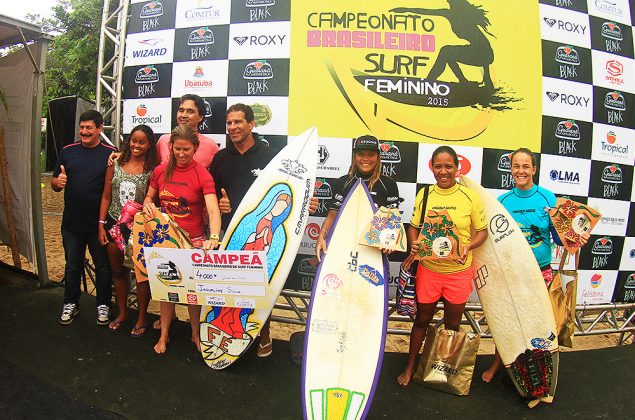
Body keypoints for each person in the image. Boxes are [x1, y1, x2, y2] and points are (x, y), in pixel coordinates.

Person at [481, 147, 588, 382]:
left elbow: (559, 236)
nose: (521, 171)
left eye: (525, 166)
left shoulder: (547, 198)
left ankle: (541, 371)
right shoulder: (502, 202)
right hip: (513, 273)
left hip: (542, 272)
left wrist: (576, 236)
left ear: (534, 169)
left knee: (540, 324)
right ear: (511, 169)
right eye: (516, 166)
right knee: (509, 321)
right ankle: (499, 363)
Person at [397, 145, 488, 386]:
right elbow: (413, 226)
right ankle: (410, 366)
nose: (443, 171)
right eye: (438, 166)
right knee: (421, 321)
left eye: (449, 166)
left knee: (452, 325)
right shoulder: (425, 195)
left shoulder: (470, 197)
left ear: (457, 168)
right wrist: (415, 243)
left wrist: (468, 247)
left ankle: (443, 370)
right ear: (432, 167)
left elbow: (482, 232)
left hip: (458, 273)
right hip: (429, 271)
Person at [208, 103, 280, 357]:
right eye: (229, 123)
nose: (233, 127)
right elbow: (210, 195)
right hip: (228, 233)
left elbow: (280, 193)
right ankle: (228, 332)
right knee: (226, 289)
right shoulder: (220, 157)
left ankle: (264, 334)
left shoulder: (270, 157)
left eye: (238, 122)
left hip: (260, 235)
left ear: (251, 124)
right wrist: (220, 203)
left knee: (261, 288)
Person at [143, 125, 221, 354]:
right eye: (177, 149)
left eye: (187, 149)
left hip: (194, 242)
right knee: (166, 289)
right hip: (166, 241)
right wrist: (149, 204)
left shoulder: (202, 174)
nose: (182, 154)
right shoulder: (160, 170)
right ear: (171, 147)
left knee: (193, 293)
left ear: (195, 148)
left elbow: (213, 210)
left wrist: (214, 237)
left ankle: (195, 334)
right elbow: (150, 195)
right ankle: (164, 334)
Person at [51, 110, 117, 326]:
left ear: (99, 129)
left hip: (99, 225)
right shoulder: (67, 151)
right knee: (72, 266)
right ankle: (71, 303)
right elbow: (55, 182)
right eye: (82, 127)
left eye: (89, 128)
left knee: (103, 267)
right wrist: (57, 183)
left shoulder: (111, 153)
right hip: (71, 223)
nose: (84, 132)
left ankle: (103, 305)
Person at [97, 124, 159, 336]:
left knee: (141, 276)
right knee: (118, 272)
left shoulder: (154, 169)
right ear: (128, 140)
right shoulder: (115, 162)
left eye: (142, 142)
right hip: (114, 225)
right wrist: (101, 225)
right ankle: (123, 313)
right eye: (134, 140)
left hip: (140, 230)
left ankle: (141, 317)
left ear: (149, 144)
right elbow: (106, 195)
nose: (137, 145)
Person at [315, 135, 401, 261]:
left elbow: (392, 220)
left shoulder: (388, 184)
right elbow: (332, 216)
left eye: (370, 154)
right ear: (354, 156)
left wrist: (390, 241)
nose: (365, 159)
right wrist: (321, 236)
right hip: (343, 248)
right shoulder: (343, 182)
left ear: (378, 157)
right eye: (360, 154)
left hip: (373, 251)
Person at [391, 0, 495, 89]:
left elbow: (482, 45)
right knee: (449, 53)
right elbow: (426, 11)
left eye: (451, 2)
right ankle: (462, 81)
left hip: (485, 54)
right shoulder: (450, 14)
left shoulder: (463, 16)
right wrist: (406, 9)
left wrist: (487, 76)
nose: (449, 5)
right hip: (484, 53)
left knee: (446, 51)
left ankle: (429, 81)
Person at [156, 94, 219, 168]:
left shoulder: (211, 146)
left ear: (200, 117)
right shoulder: (163, 141)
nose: (183, 115)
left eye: (190, 111)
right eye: (181, 110)